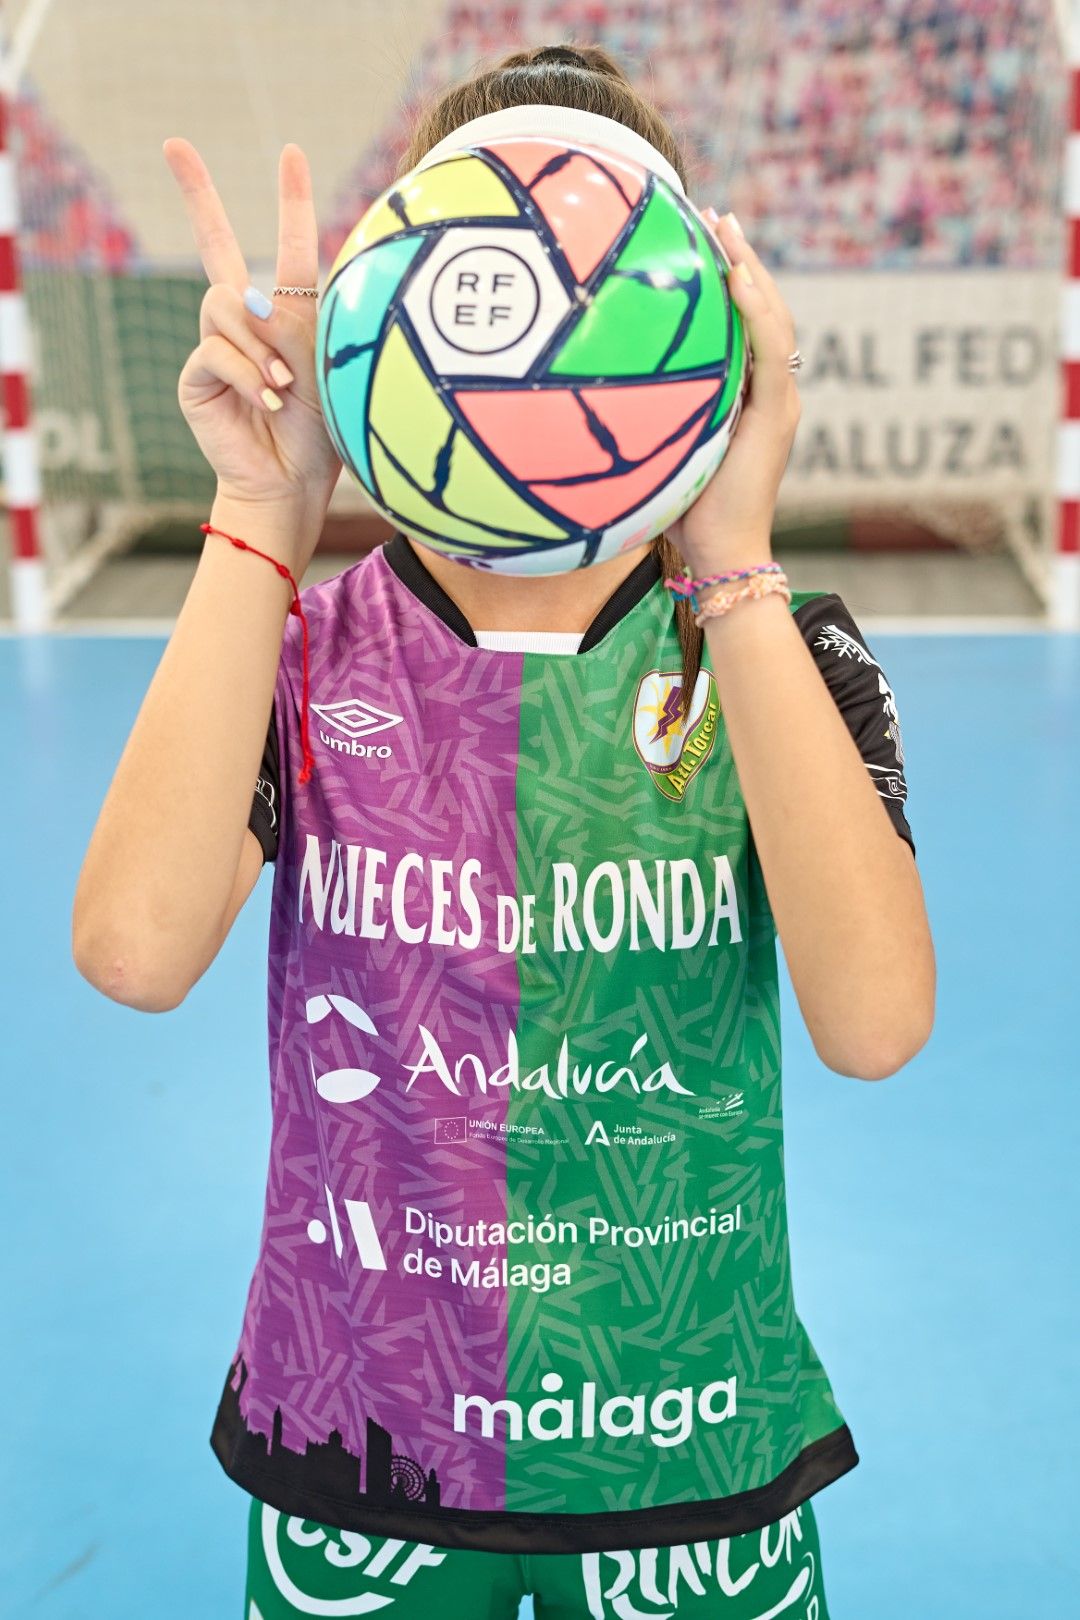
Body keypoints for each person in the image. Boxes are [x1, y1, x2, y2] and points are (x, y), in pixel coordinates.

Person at [71, 40, 935, 1620]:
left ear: (702, 332)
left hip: (685, 1434)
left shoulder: (774, 647)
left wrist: (731, 547)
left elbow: (875, 1024)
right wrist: (263, 511)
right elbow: (132, 949)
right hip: (372, 1438)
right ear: (395, 315)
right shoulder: (303, 644)